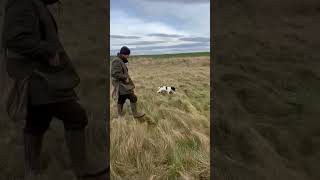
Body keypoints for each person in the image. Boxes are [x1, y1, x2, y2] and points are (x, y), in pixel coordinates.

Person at [1, 0, 108, 178]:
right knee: (75, 115)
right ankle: (82, 173)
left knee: (38, 118)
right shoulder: (22, 2)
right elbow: (15, 40)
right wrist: (49, 50)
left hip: (41, 74)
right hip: (37, 75)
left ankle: (31, 171)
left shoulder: (34, 3)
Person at [111, 46, 145, 119]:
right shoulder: (117, 61)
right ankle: (135, 114)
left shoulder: (120, 60)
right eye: (127, 55)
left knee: (122, 98)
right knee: (133, 97)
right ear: (123, 54)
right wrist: (125, 77)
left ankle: (120, 115)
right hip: (121, 84)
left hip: (122, 84)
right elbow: (114, 73)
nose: (128, 56)